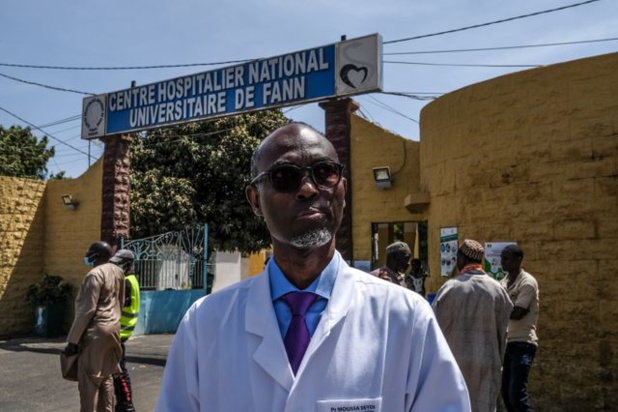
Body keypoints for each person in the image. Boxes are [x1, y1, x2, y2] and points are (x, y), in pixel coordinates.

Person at [156, 123, 470, 411]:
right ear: (255, 200)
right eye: (285, 177)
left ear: (343, 190)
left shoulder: (405, 318)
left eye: (324, 172)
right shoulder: (205, 323)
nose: (308, 188)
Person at [432, 239, 513, 412]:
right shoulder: (498, 290)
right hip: (487, 364)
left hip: (454, 367)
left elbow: (433, 330)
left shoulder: (449, 288)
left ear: (461, 258)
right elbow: (503, 331)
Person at [65, 242, 125, 412]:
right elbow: (120, 301)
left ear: (95, 256)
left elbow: (87, 309)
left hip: (96, 330)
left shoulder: (94, 274)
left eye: (89, 252)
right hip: (113, 328)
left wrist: (73, 340)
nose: (87, 255)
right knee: (106, 375)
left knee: (89, 379)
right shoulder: (118, 272)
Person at [500, 244, 539, 412]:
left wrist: (500, 308)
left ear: (518, 260)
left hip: (523, 343)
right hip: (507, 343)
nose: (503, 262)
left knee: (517, 394)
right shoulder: (503, 282)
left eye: (506, 258)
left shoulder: (528, 283)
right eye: (502, 258)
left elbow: (517, 313)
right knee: (506, 394)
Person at [110, 249, 139, 412]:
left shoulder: (127, 281)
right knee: (118, 370)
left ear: (127, 265)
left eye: (119, 263)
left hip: (121, 330)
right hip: (122, 330)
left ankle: (126, 405)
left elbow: (120, 304)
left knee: (120, 371)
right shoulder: (130, 279)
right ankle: (123, 404)